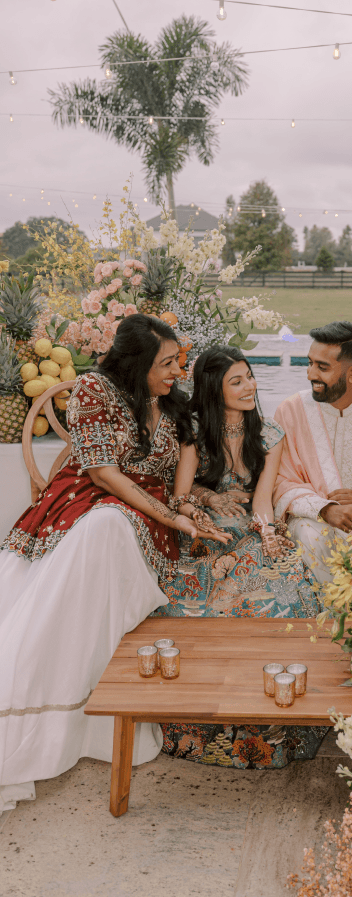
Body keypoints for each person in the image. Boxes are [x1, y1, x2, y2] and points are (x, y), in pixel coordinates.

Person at [0, 314, 225, 812]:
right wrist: (169, 513)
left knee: (108, 530)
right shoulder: (92, 390)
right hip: (92, 498)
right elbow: (102, 474)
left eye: (179, 361)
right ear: (138, 361)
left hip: (145, 517)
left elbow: (181, 475)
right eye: (167, 363)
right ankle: (42, 708)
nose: (177, 372)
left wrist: (186, 511)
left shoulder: (174, 403)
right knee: (101, 528)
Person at [153, 345, 324, 769]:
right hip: (203, 533)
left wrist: (267, 534)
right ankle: (198, 723)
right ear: (215, 388)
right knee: (190, 605)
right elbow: (180, 493)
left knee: (284, 592)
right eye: (237, 380)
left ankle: (273, 723)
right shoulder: (193, 427)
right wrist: (205, 502)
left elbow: (263, 500)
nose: (249, 386)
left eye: (249, 377)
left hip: (249, 531)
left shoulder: (269, 434)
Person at [273, 321, 352, 584]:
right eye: (309, 363)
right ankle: (328, 618)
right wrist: (325, 509)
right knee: (313, 536)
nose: (310, 374)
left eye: (322, 367)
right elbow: (280, 480)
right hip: (310, 517)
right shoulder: (290, 411)